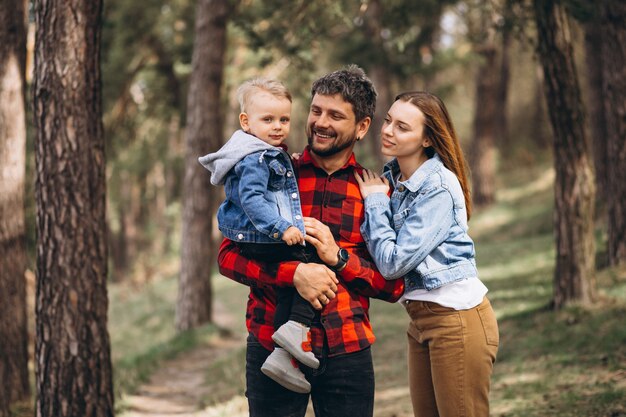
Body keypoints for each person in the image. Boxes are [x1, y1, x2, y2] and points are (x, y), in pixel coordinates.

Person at [217, 66, 405, 417]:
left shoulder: (376, 192)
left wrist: (338, 258)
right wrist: (294, 274)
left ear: (362, 126)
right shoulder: (269, 173)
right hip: (268, 341)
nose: (320, 122)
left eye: (335, 115)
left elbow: (392, 286)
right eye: (316, 111)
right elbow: (228, 256)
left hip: (346, 350)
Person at [354, 91, 499, 417]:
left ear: (427, 139)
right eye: (389, 120)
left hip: (456, 320)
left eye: (403, 127)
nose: (388, 130)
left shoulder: (437, 186)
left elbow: (392, 263)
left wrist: (375, 202)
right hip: (420, 320)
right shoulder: (393, 180)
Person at [198, 78, 324, 393]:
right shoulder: (256, 157)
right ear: (246, 121)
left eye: (284, 119)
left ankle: (285, 353)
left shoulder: (262, 151)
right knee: (314, 258)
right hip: (261, 236)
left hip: (254, 235)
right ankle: (295, 331)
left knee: (289, 285)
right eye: (268, 120)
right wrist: (283, 228)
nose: (278, 126)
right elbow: (253, 200)